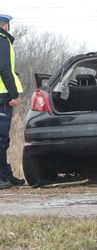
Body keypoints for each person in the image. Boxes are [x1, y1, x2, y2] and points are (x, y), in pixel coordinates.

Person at [0, 14, 25, 188]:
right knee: (1, 138)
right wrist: (14, 94)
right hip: (2, 96)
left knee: (3, 139)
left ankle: (6, 174)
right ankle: (2, 177)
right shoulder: (2, 41)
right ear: (5, 25)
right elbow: (4, 69)